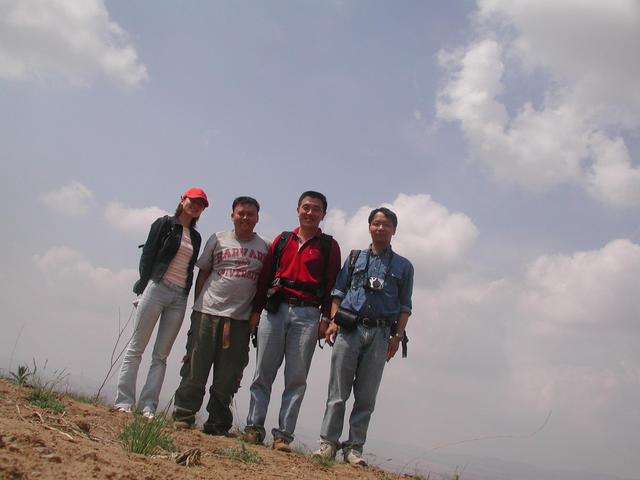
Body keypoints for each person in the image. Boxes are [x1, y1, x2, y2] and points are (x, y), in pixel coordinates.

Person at [312, 207, 414, 466]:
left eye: (386, 224)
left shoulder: (404, 266)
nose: (380, 228)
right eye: (376, 223)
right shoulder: (355, 258)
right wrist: (334, 320)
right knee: (338, 391)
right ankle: (328, 443)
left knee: (366, 396)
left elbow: (405, 307)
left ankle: (354, 448)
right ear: (369, 227)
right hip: (349, 329)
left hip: (380, 334)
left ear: (394, 230)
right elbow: (338, 291)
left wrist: (397, 337)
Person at [244, 191, 341, 452]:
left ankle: (283, 436)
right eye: (306, 207)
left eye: (316, 209)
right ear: (297, 209)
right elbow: (265, 277)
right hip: (274, 310)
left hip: (308, 315)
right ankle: (254, 427)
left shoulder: (329, 246)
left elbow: (332, 285)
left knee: (296, 378)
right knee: (262, 372)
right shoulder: (283, 239)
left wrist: (327, 318)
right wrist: (256, 311)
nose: (310, 213)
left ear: (323, 214)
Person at [172, 196, 269, 434]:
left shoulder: (265, 247)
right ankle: (184, 414)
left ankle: (217, 424)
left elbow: (265, 284)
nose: (245, 217)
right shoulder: (217, 238)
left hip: (240, 319)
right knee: (195, 367)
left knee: (228, 376)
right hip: (207, 312)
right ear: (232, 215)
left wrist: (256, 314)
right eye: (240, 213)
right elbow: (204, 272)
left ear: (257, 218)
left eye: (250, 214)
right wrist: (197, 305)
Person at [114, 187, 209, 418]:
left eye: (201, 204)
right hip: (157, 288)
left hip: (179, 298)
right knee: (137, 347)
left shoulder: (196, 237)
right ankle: (124, 402)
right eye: (193, 201)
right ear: (182, 200)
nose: (196, 206)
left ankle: (148, 407)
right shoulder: (164, 224)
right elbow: (148, 254)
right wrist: (143, 286)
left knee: (161, 355)